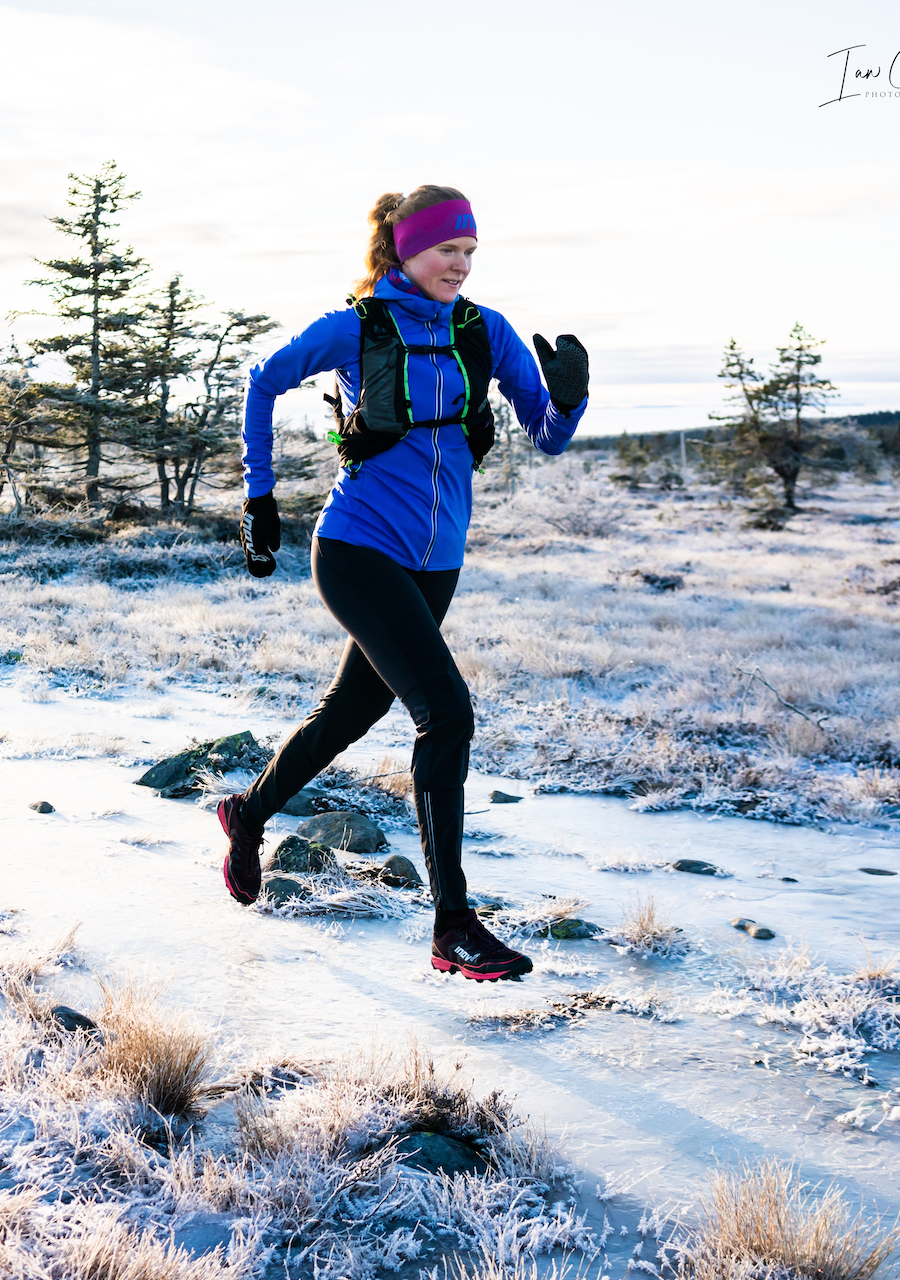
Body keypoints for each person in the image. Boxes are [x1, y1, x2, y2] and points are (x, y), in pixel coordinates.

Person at [219, 185, 588, 982]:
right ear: (403, 250)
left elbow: (548, 438)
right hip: (356, 548)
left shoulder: (482, 331)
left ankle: (245, 815)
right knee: (446, 713)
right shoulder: (358, 326)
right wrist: (258, 492)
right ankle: (452, 925)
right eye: (446, 250)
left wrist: (569, 396)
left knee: (352, 711)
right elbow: (261, 378)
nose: (460, 264)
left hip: (436, 563)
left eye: (470, 252)